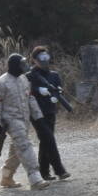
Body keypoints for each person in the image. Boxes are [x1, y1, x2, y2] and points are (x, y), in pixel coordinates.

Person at [0, 53, 49, 191]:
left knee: (17, 149)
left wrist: (38, 117)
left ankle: (6, 177)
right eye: (22, 64)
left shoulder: (23, 79)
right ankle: (35, 178)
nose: (25, 66)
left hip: (24, 119)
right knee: (25, 145)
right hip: (11, 120)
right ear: (15, 66)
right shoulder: (1, 83)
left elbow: (30, 98)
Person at [27, 46, 70, 182]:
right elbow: (25, 91)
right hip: (36, 113)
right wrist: (37, 90)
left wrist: (57, 95)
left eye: (46, 56)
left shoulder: (54, 75)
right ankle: (60, 170)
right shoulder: (30, 75)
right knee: (49, 139)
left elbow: (59, 88)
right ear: (34, 60)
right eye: (41, 57)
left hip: (50, 111)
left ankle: (44, 172)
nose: (44, 60)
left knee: (45, 141)